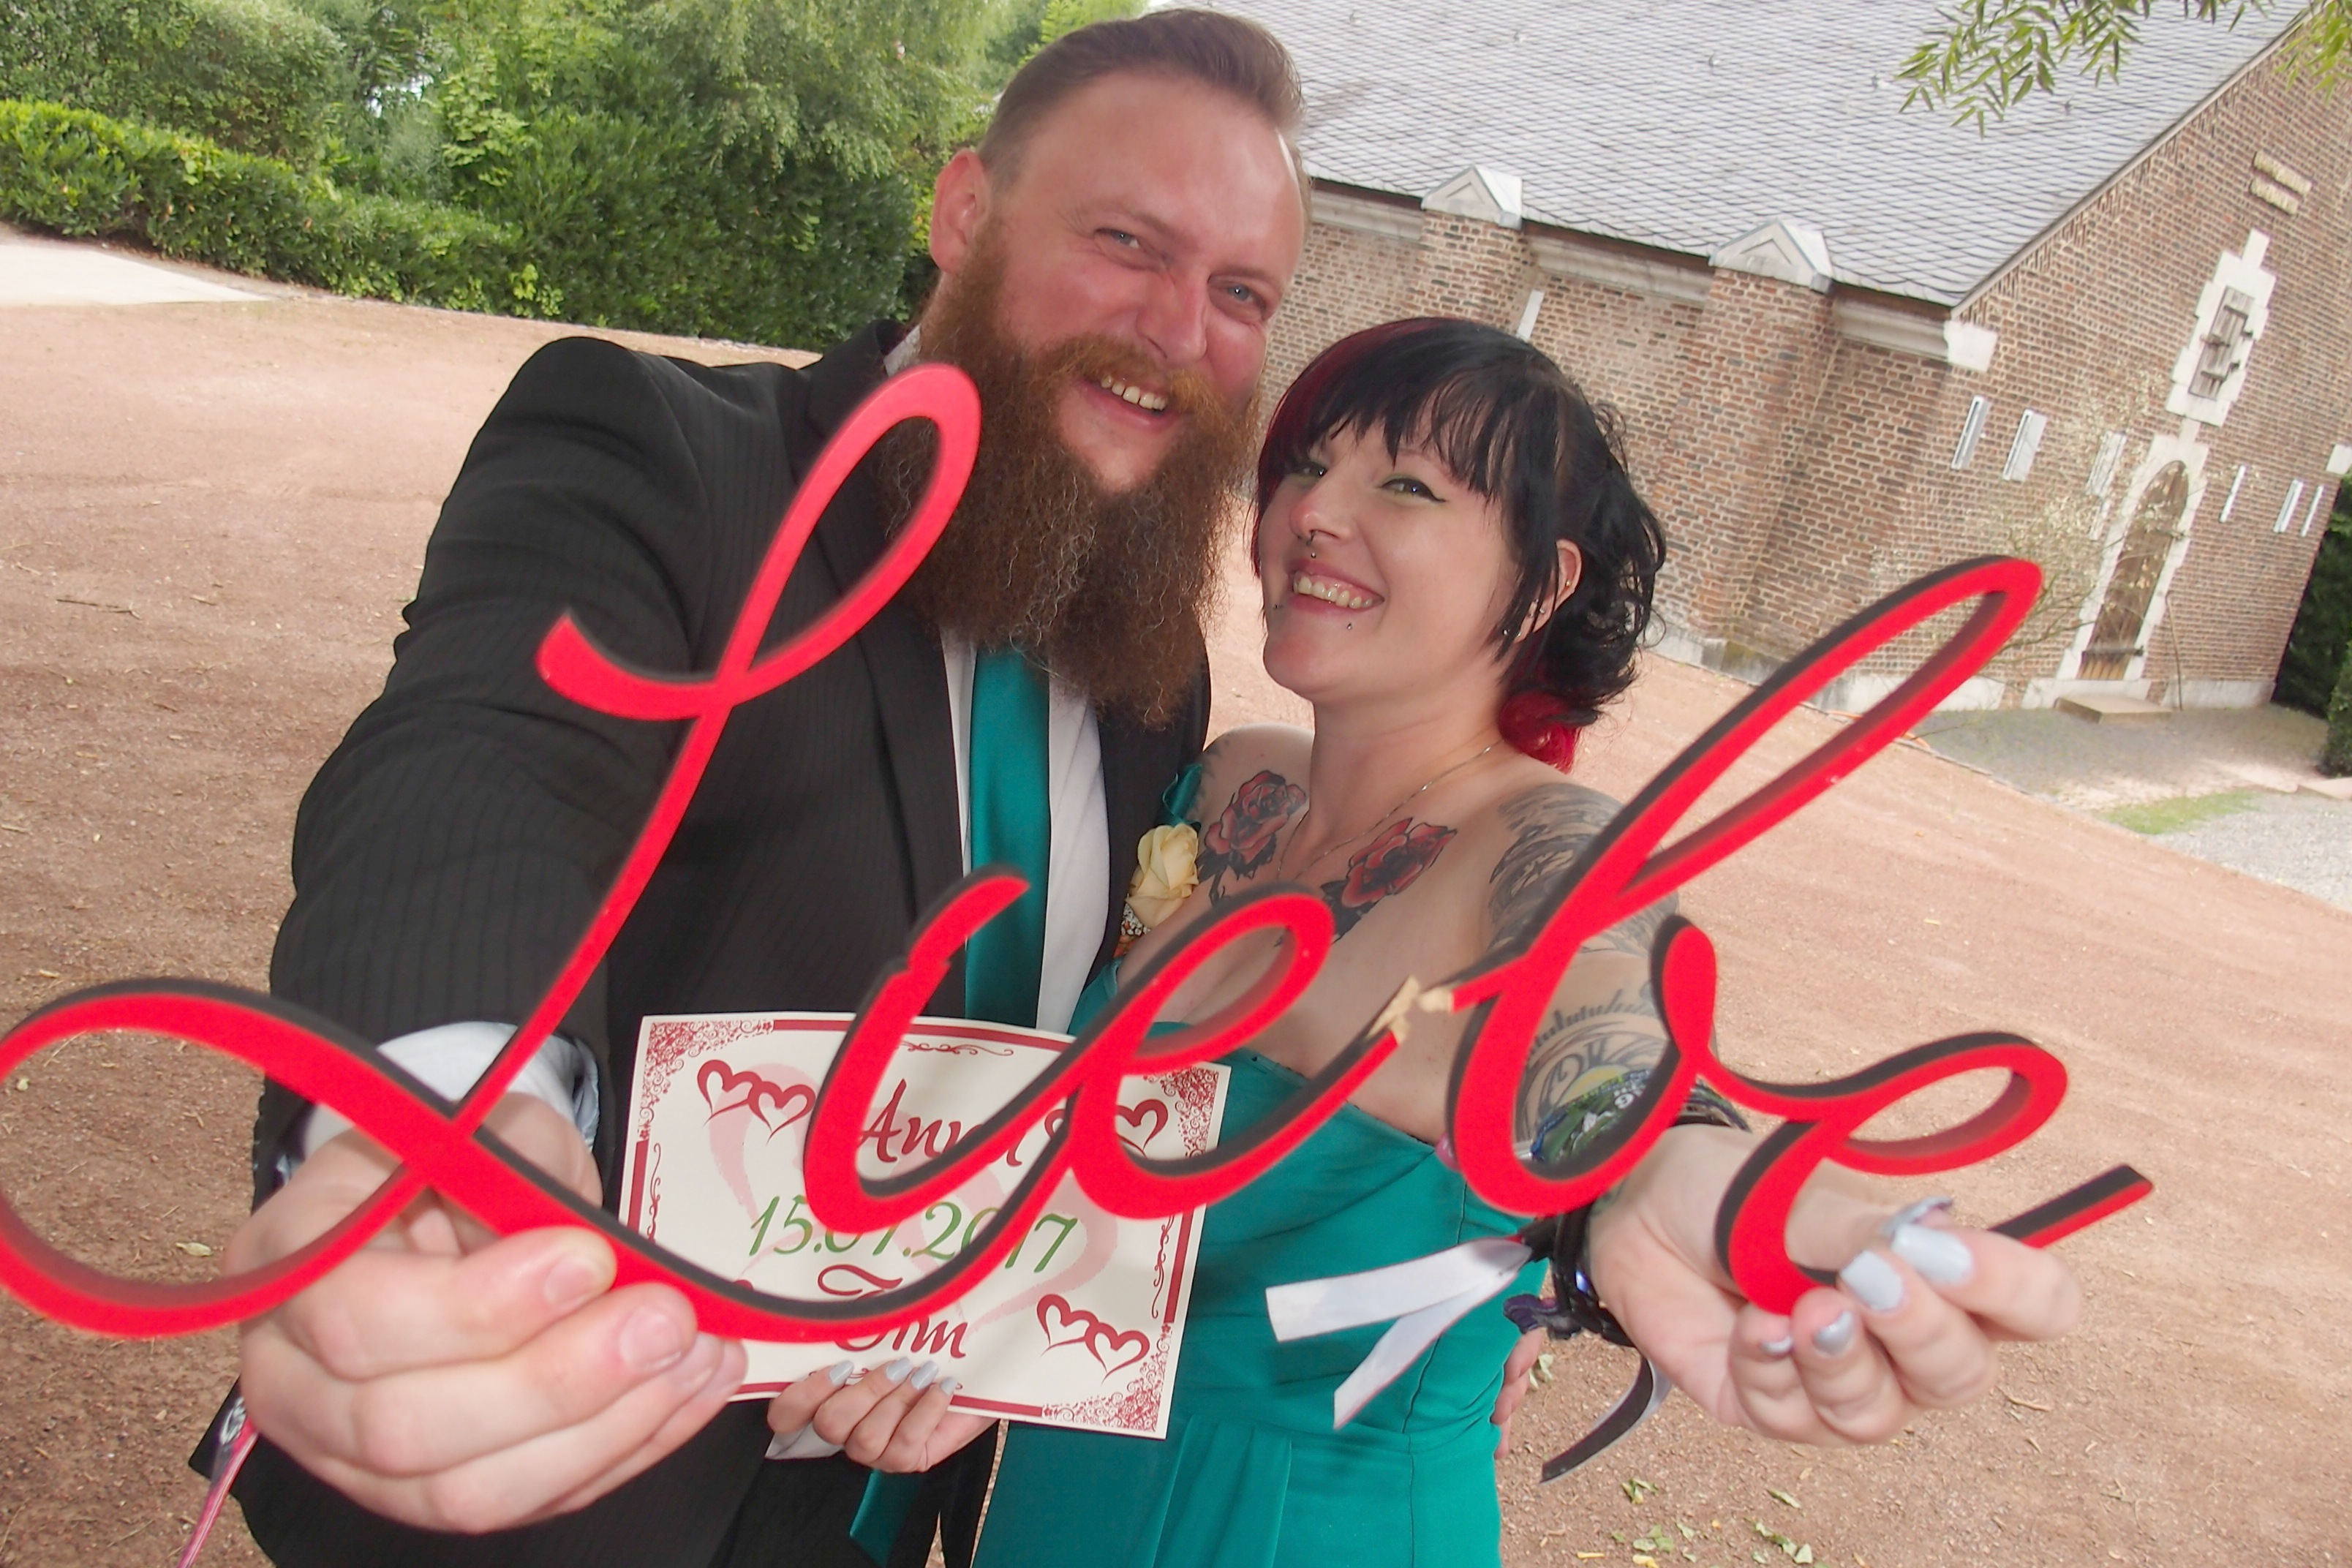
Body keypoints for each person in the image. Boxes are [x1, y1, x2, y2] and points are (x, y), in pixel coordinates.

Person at [214, 12, 1309, 1567]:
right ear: (966, 214)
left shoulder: (1154, 676)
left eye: (1243, 293)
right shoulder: (662, 458)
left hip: (871, 1513)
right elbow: (484, 759)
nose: (1179, 327)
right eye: (1127, 242)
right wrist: (446, 1123)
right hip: (559, 1500)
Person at [913, 318, 2084, 1565]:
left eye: (1407, 487)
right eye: (1306, 465)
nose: (1315, 513)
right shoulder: (1227, 783)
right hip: (1057, 1501)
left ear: (1547, 580)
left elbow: (1612, 1033)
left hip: (1310, 1530)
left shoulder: (1552, 847)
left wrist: (1669, 1168)